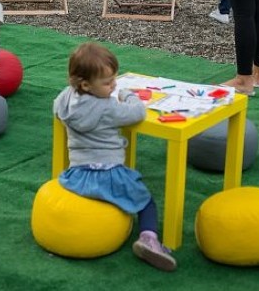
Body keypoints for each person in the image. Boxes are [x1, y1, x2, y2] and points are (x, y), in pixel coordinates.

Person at [53, 42, 177, 272]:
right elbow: (137, 113)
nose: (114, 85)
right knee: (147, 201)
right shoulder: (108, 108)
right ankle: (149, 240)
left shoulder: (66, 98)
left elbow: (56, 109)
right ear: (86, 85)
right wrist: (128, 95)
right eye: (108, 83)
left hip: (77, 174)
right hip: (107, 174)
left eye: (114, 80)